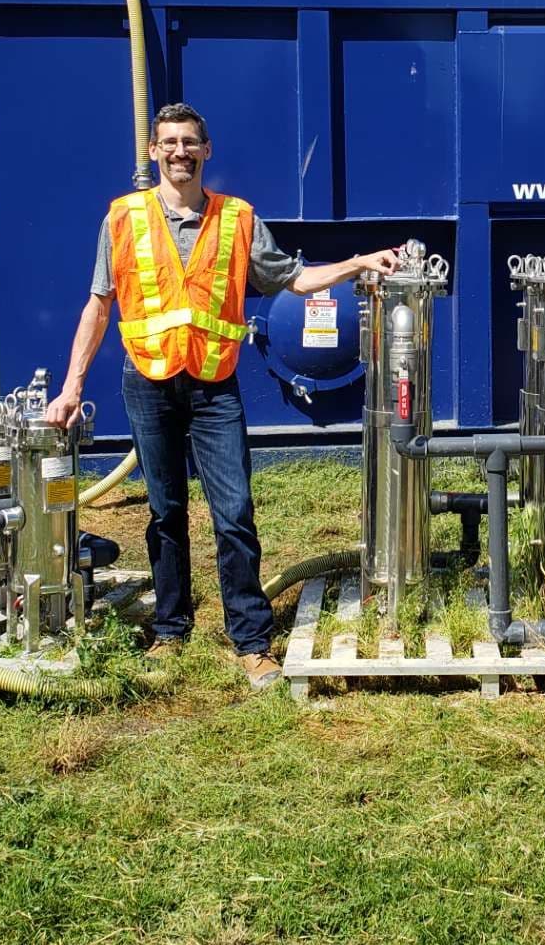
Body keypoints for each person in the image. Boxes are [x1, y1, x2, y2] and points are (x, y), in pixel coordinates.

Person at [44, 102, 398, 690]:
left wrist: (358, 262)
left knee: (233, 512)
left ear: (207, 151)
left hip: (213, 386)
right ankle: (170, 626)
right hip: (149, 381)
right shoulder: (123, 218)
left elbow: (294, 279)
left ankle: (250, 639)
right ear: (154, 153)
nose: (179, 151)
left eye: (190, 142)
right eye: (169, 143)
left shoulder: (237, 220)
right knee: (165, 511)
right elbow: (99, 304)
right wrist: (71, 384)